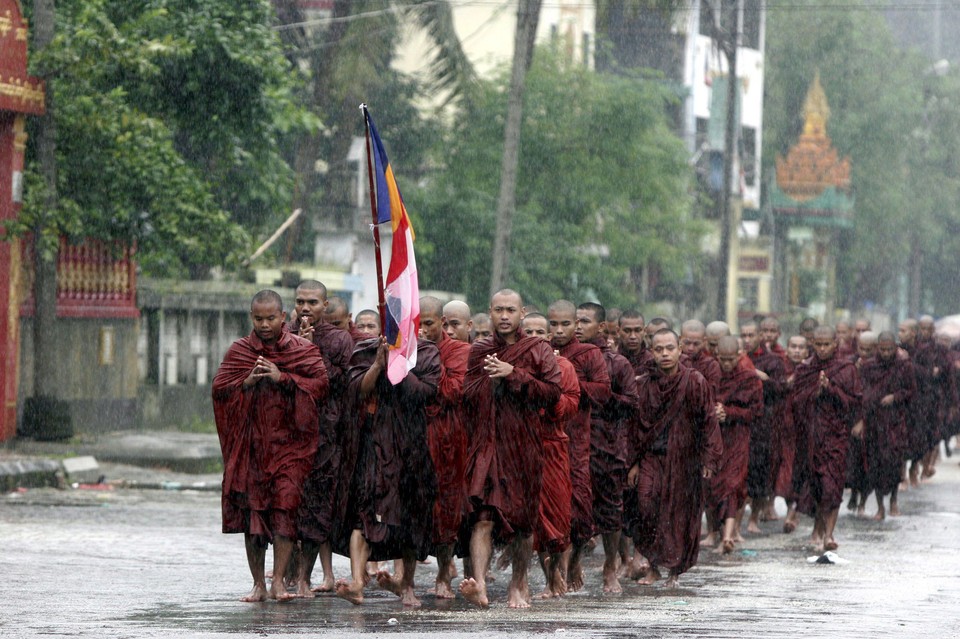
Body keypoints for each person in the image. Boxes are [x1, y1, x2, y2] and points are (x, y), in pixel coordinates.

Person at [212, 290, 329, 602]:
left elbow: (320, 385)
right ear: (252, 317)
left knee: (284, 508)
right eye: (258, 318)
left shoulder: (301, 350)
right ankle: (258, 584)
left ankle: (278, 581)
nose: (264, 324)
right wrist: (247, 383)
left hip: (290, 446)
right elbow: (220, 389)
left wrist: (283, 378)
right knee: (254, 514)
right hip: (252, 446)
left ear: (282, 317)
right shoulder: (240, 351)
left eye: (270, 318)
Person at [460, 289, 562, 609]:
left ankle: (519, 584)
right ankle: (479, 585)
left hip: (523, 445)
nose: (504, 316)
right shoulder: (480, 350)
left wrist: (513, 374)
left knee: (523, 521)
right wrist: (490, 381)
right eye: (499, 310)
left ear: (522, 314)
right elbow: (466, 393)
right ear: (489, 312)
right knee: (483, 516)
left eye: (511, 310)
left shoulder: (538, 348)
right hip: (487, 443)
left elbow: (552, 393)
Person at [333, 334, 441, 607]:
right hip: (372, 443)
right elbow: (357, 390)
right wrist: (379, 364)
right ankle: (357, 583)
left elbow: (424, 393)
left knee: (410, 515)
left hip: (410, 444)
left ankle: (407, 584)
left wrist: (401, 363)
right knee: (363, 511)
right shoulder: (367, 349)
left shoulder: (425, 351)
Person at [627, 329, 723, 588]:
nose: (665, 354)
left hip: (685, 460)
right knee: (646, 506)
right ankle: (654, 565)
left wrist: (708, 459)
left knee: (678, 515)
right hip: (652, 457)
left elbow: (708, 422)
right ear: (652, 350)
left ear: (680, 349)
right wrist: (634, 462)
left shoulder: (694, 381)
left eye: (670, 348)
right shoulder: (645, 384)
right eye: (659, 349)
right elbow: (636, 427)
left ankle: (674, 572)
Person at [289, 280, 355, 597]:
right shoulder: (282, 334)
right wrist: (294, 347)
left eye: (312, 302)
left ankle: (304, 576)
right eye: (301, 301)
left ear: (325, 306)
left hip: (326, 433)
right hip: (288, 432)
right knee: (287, 504)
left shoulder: (340, 339)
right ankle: (283, 575)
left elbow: (335, 381)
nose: (305, 308)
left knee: (317, 506)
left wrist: (310, 350)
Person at [548, 300, 611, 592]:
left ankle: (574, 562)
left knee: (581, 512)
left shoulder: (589, 354)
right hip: (547, 440)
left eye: (565, 324)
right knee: (551, 510)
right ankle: (556, 569)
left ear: (576, 325)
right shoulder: (541, 350)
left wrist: (568, 377)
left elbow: (603, 392)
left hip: (577, 442)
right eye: (554, 324)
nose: (559, 330)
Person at [576, 302, 637, 594]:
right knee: (573, 508)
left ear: (601, 327)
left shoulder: (617, 363)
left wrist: (601, 394)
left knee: (611, 510)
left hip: (608, 444)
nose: (577, 326)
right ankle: (569, 565)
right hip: (574, 443)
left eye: (584, 321)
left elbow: (631, 404)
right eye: (575, 320)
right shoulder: (564, 358)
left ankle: (610, 565)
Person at [788, 325, 861, 552]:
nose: (821, 348)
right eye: (818, 344)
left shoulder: (846, 369)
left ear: (835, 344)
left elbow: (855, 401)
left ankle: (829, 534)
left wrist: (831, 390)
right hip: (811, 437)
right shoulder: (805, 369)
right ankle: (818, 529)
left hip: (835, 436)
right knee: (818, 486)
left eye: (826, 344)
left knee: (833, 485)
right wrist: (816, 393)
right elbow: (796, 402)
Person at [418, 296, 470, 599]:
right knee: (412, 504)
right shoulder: (406, 349)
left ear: (442, 323)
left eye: (429, 323)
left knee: (447, 506)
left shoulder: (460, 351)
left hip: (448, 435)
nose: (423, 329)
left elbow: (452, 390)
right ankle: (406, 576)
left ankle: (443, 573)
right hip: (414, 433)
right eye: (418, 324)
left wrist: (424, 359)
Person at [522, 313, 577, 598]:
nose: (533, 335)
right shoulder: (513, 365)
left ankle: (557, 571)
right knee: (533, 519)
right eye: (527, 330)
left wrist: (550, 393)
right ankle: (547, 578)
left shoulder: (563, 366)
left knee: (556, 516)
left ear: (548, 336)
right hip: (521, 446)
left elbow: (571, 404)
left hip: (553, 444)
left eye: (539, 331)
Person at [706, 336, 762, 554]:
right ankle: (718, 532)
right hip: (715, 439)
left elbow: (756, 411)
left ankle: (728, 536)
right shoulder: (711, 376)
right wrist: (714, 411)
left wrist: (729, 413)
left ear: (739, 356)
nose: (727, 364)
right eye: (723, 359)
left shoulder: (749, 378)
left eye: (731, 359)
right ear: (717, 356)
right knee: (714, 485)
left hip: (738, 436)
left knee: (732, 484)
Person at [859, 331, 915, 520]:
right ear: (877, 349)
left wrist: (895, 397)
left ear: (895, 348)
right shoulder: (869, 367)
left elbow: (911, 391)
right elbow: (862, 392)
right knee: (875, 464)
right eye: (882, 349)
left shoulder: (904, 367)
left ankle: (893, 500)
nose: (885, 353)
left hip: (895, 422)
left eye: (889, 349)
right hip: (875, 422)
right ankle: (880, 506)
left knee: (893, 462)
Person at [742, 321, 788, 532]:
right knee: (740, 473)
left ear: (759, 335)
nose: (747, 339)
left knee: (760, 471)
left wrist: (764, 379)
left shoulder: (773, 361)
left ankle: (754, 518)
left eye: (751, 335)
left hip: (765, 423)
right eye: (743, 335)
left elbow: (781, 389)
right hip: (742, 423)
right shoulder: (737, 359)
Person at [845, 331, 877, 516]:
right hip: (850, 418)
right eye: (862, 349)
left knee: (869, 465)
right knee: (852, 463)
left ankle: (863, 501)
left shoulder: (879, 366)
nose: (865, 353)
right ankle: (854, 494)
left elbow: (875, 396)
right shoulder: (850, 363)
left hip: (873, 423)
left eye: (869, 350)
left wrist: (864, 421)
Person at [781, 335, 808, 533]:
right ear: (787, 349)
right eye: (793, 347)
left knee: (798, 472)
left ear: (807, 351)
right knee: (783, 473)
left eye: (801, 347)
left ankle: (793, 511)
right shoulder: (779, 366)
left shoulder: (811, 370)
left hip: (805, 430)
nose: (797, 351)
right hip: (782, 429)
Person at [680, 319, 721, 394]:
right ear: (679, 339)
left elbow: (710, 395)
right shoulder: (673, 361)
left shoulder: (711, 365)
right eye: (687, 343)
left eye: (696, 344)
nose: (691, 348)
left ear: (704, 342)